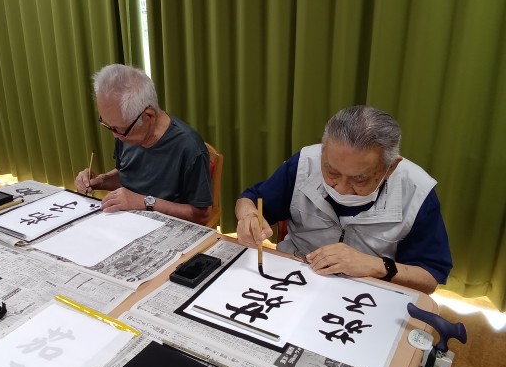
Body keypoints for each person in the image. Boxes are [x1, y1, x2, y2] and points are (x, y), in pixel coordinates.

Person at [235, 105, 452, 294]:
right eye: (331, 171)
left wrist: (375, 266)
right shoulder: (304, 164)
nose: (341, 187)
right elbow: (250, 199)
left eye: (360, 179)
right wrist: (248, 216)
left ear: (391, 168)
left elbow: (429, 278)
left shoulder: (416, 192)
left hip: (367, 290)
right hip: (295, 274)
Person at [75, 64, 213, 225]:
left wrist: (146, 202)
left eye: (119, 129)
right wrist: (100, 181)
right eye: (109, 126)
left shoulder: (189, 147)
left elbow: (202, 215)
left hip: (166, 227)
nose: (115, 135)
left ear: (148, 116)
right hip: (127, 221)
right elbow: (128, 176)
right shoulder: (125, 129)